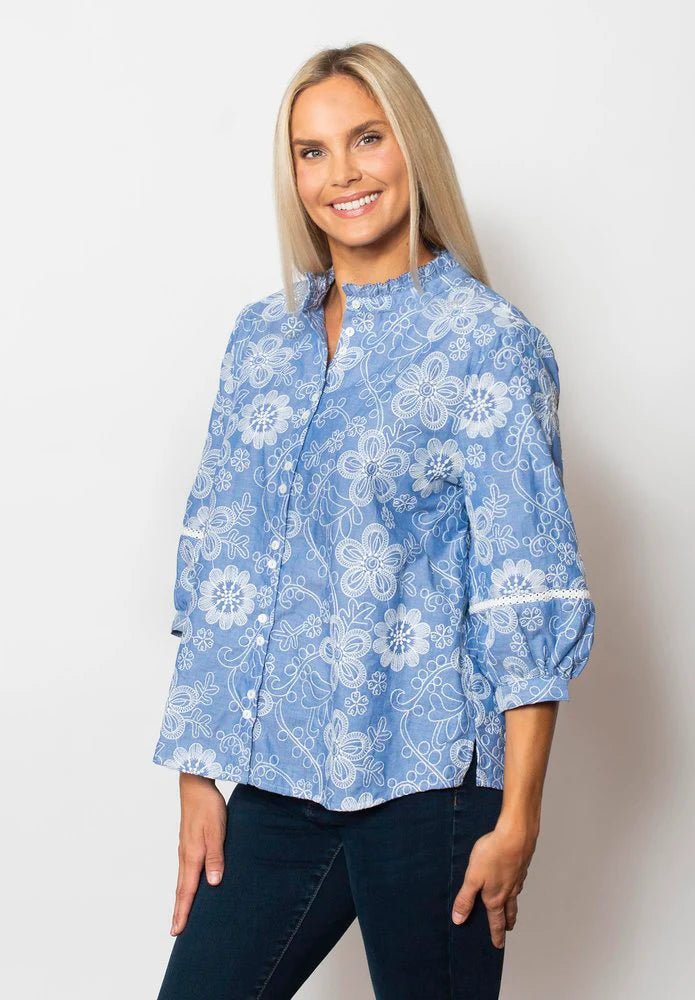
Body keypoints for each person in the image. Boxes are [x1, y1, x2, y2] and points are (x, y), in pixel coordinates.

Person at [152, 42, 596, 1000]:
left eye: (366, 138)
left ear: (411, 147)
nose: (342, 174)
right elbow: (223, 561)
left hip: (432, 779)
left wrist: (518, 817)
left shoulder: (488, 344)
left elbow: (525, 589)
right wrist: (198, 774)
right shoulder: (261, 340)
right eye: (312, 151)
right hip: (280, 774)